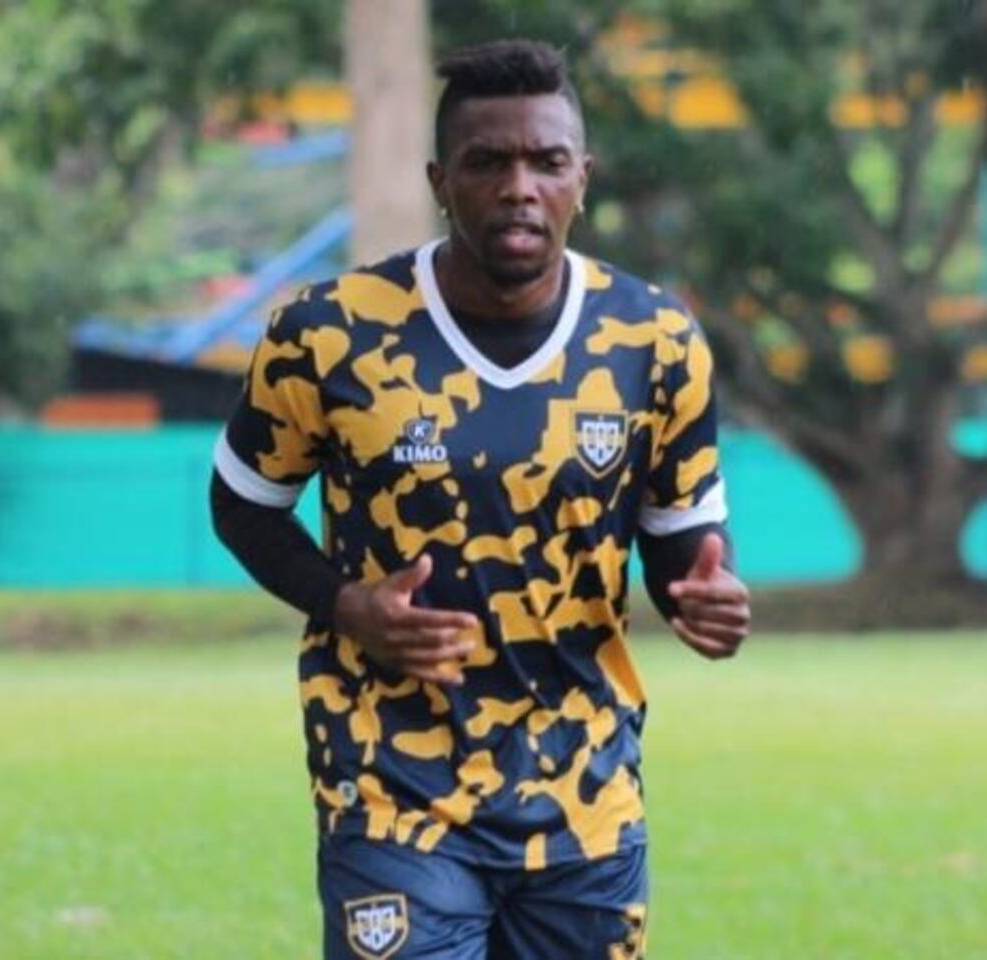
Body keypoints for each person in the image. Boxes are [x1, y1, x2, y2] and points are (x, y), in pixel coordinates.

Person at [211, 38, 750, 960]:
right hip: (390, 787)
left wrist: (706, 598)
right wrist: (347, 606)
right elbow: (245, 504)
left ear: (584, 177)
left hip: (584, 794)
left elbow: (681, 536)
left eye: (546, 162)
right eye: (487, 162)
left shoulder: (654, 339)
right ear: (439, 179)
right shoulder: (327, 334)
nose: (518, 187)